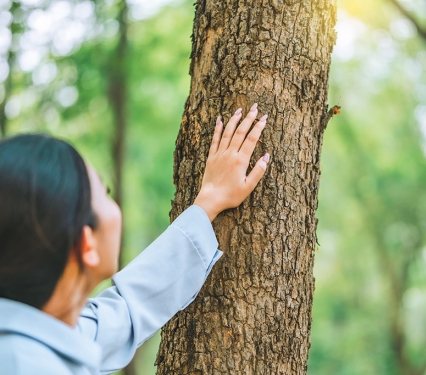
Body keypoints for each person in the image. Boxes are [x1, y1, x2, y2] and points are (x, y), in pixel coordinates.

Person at [0, 105, 270, 375]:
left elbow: (128, 309)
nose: (112, 200)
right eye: (104, 193)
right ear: (87, 244)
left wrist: (208, 202)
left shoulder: (41, 337)